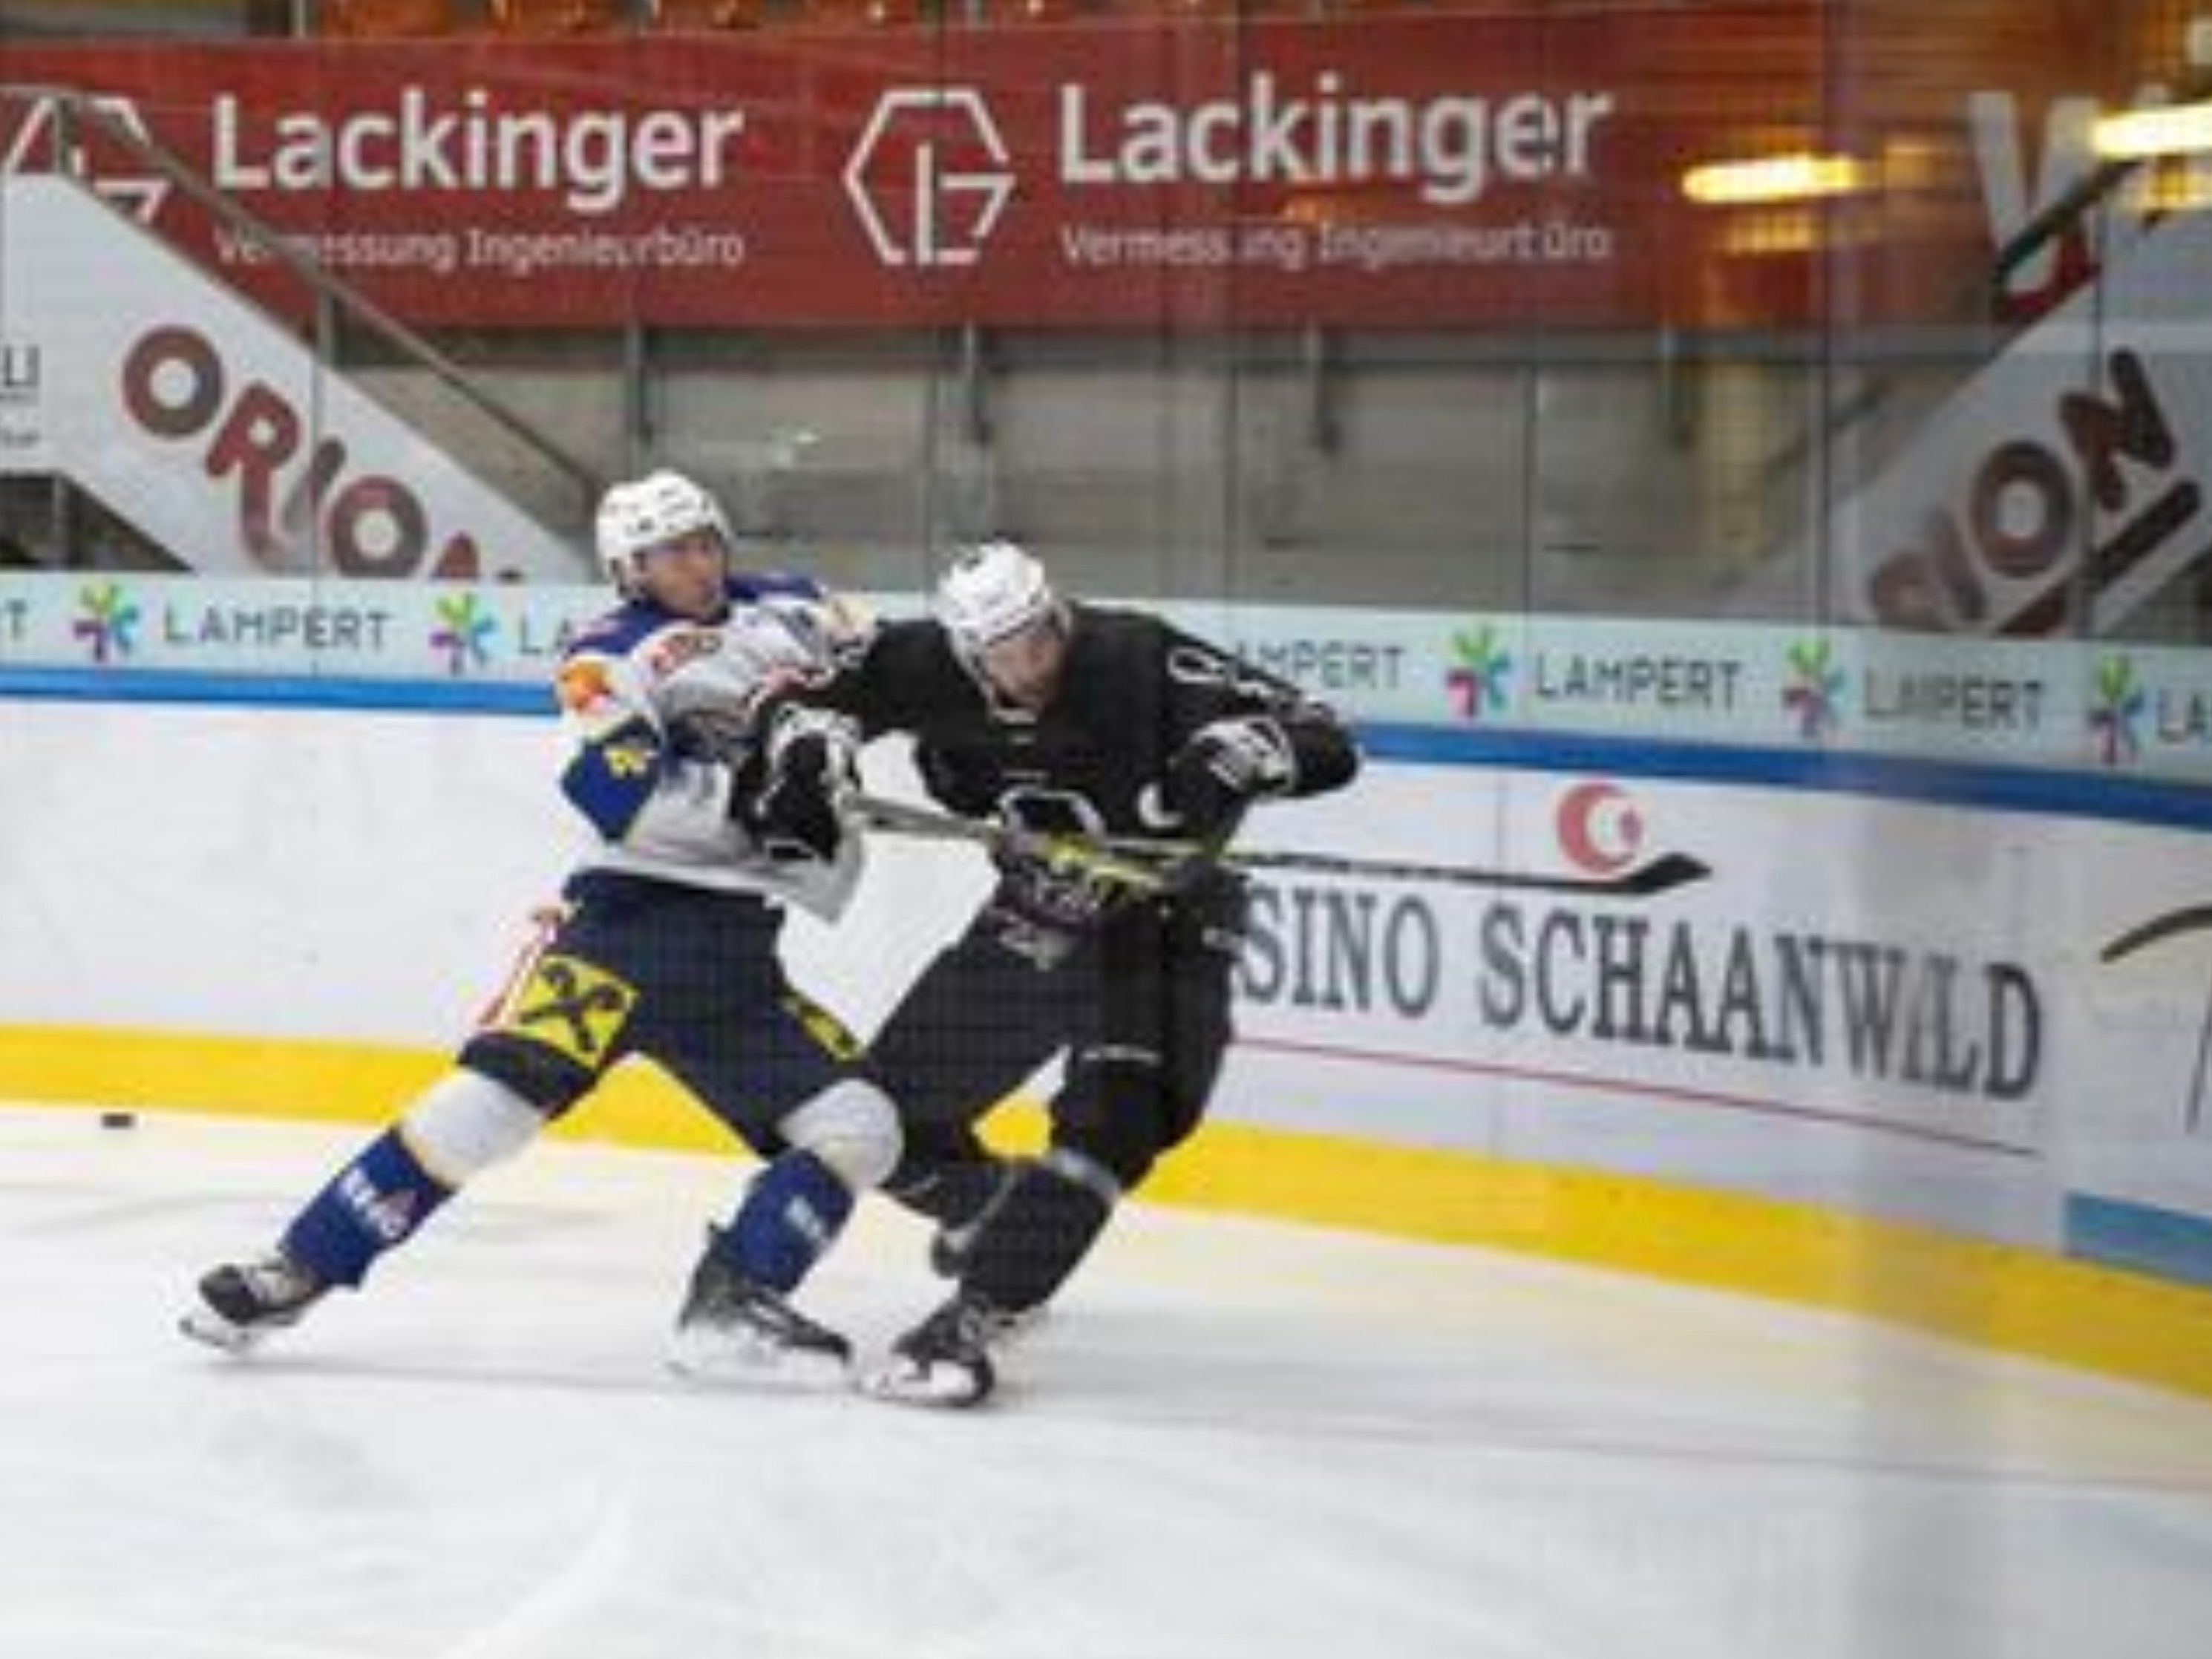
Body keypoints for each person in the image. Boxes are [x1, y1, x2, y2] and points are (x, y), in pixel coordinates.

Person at [182, 468, 900, 1383]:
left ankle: (736, 1304)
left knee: (859, 1124)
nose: (695, 563)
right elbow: (617, 793)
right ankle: (298, 1266)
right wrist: (765, 806)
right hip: (626, 935)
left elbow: (899, 672)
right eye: (668, 552)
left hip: (735, 968)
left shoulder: (799, 607)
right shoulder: (607, 659)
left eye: (704, 541)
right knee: (481, 1112)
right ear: (628, 569)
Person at [816, 540, 1361, 1406]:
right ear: (962, 652)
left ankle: (973, 1319)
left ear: (1058, 611)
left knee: (1115, 1127)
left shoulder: (1134, 656)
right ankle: (1001, 1213)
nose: (1030, 663)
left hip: (1166, 926)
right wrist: (805, 753)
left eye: (1041, 635)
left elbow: (1322, 732)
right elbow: (809, 693)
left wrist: (1243, 750)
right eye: (1003, 649)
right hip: (1035, 922)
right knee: (882, 1120)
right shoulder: (921, 665)